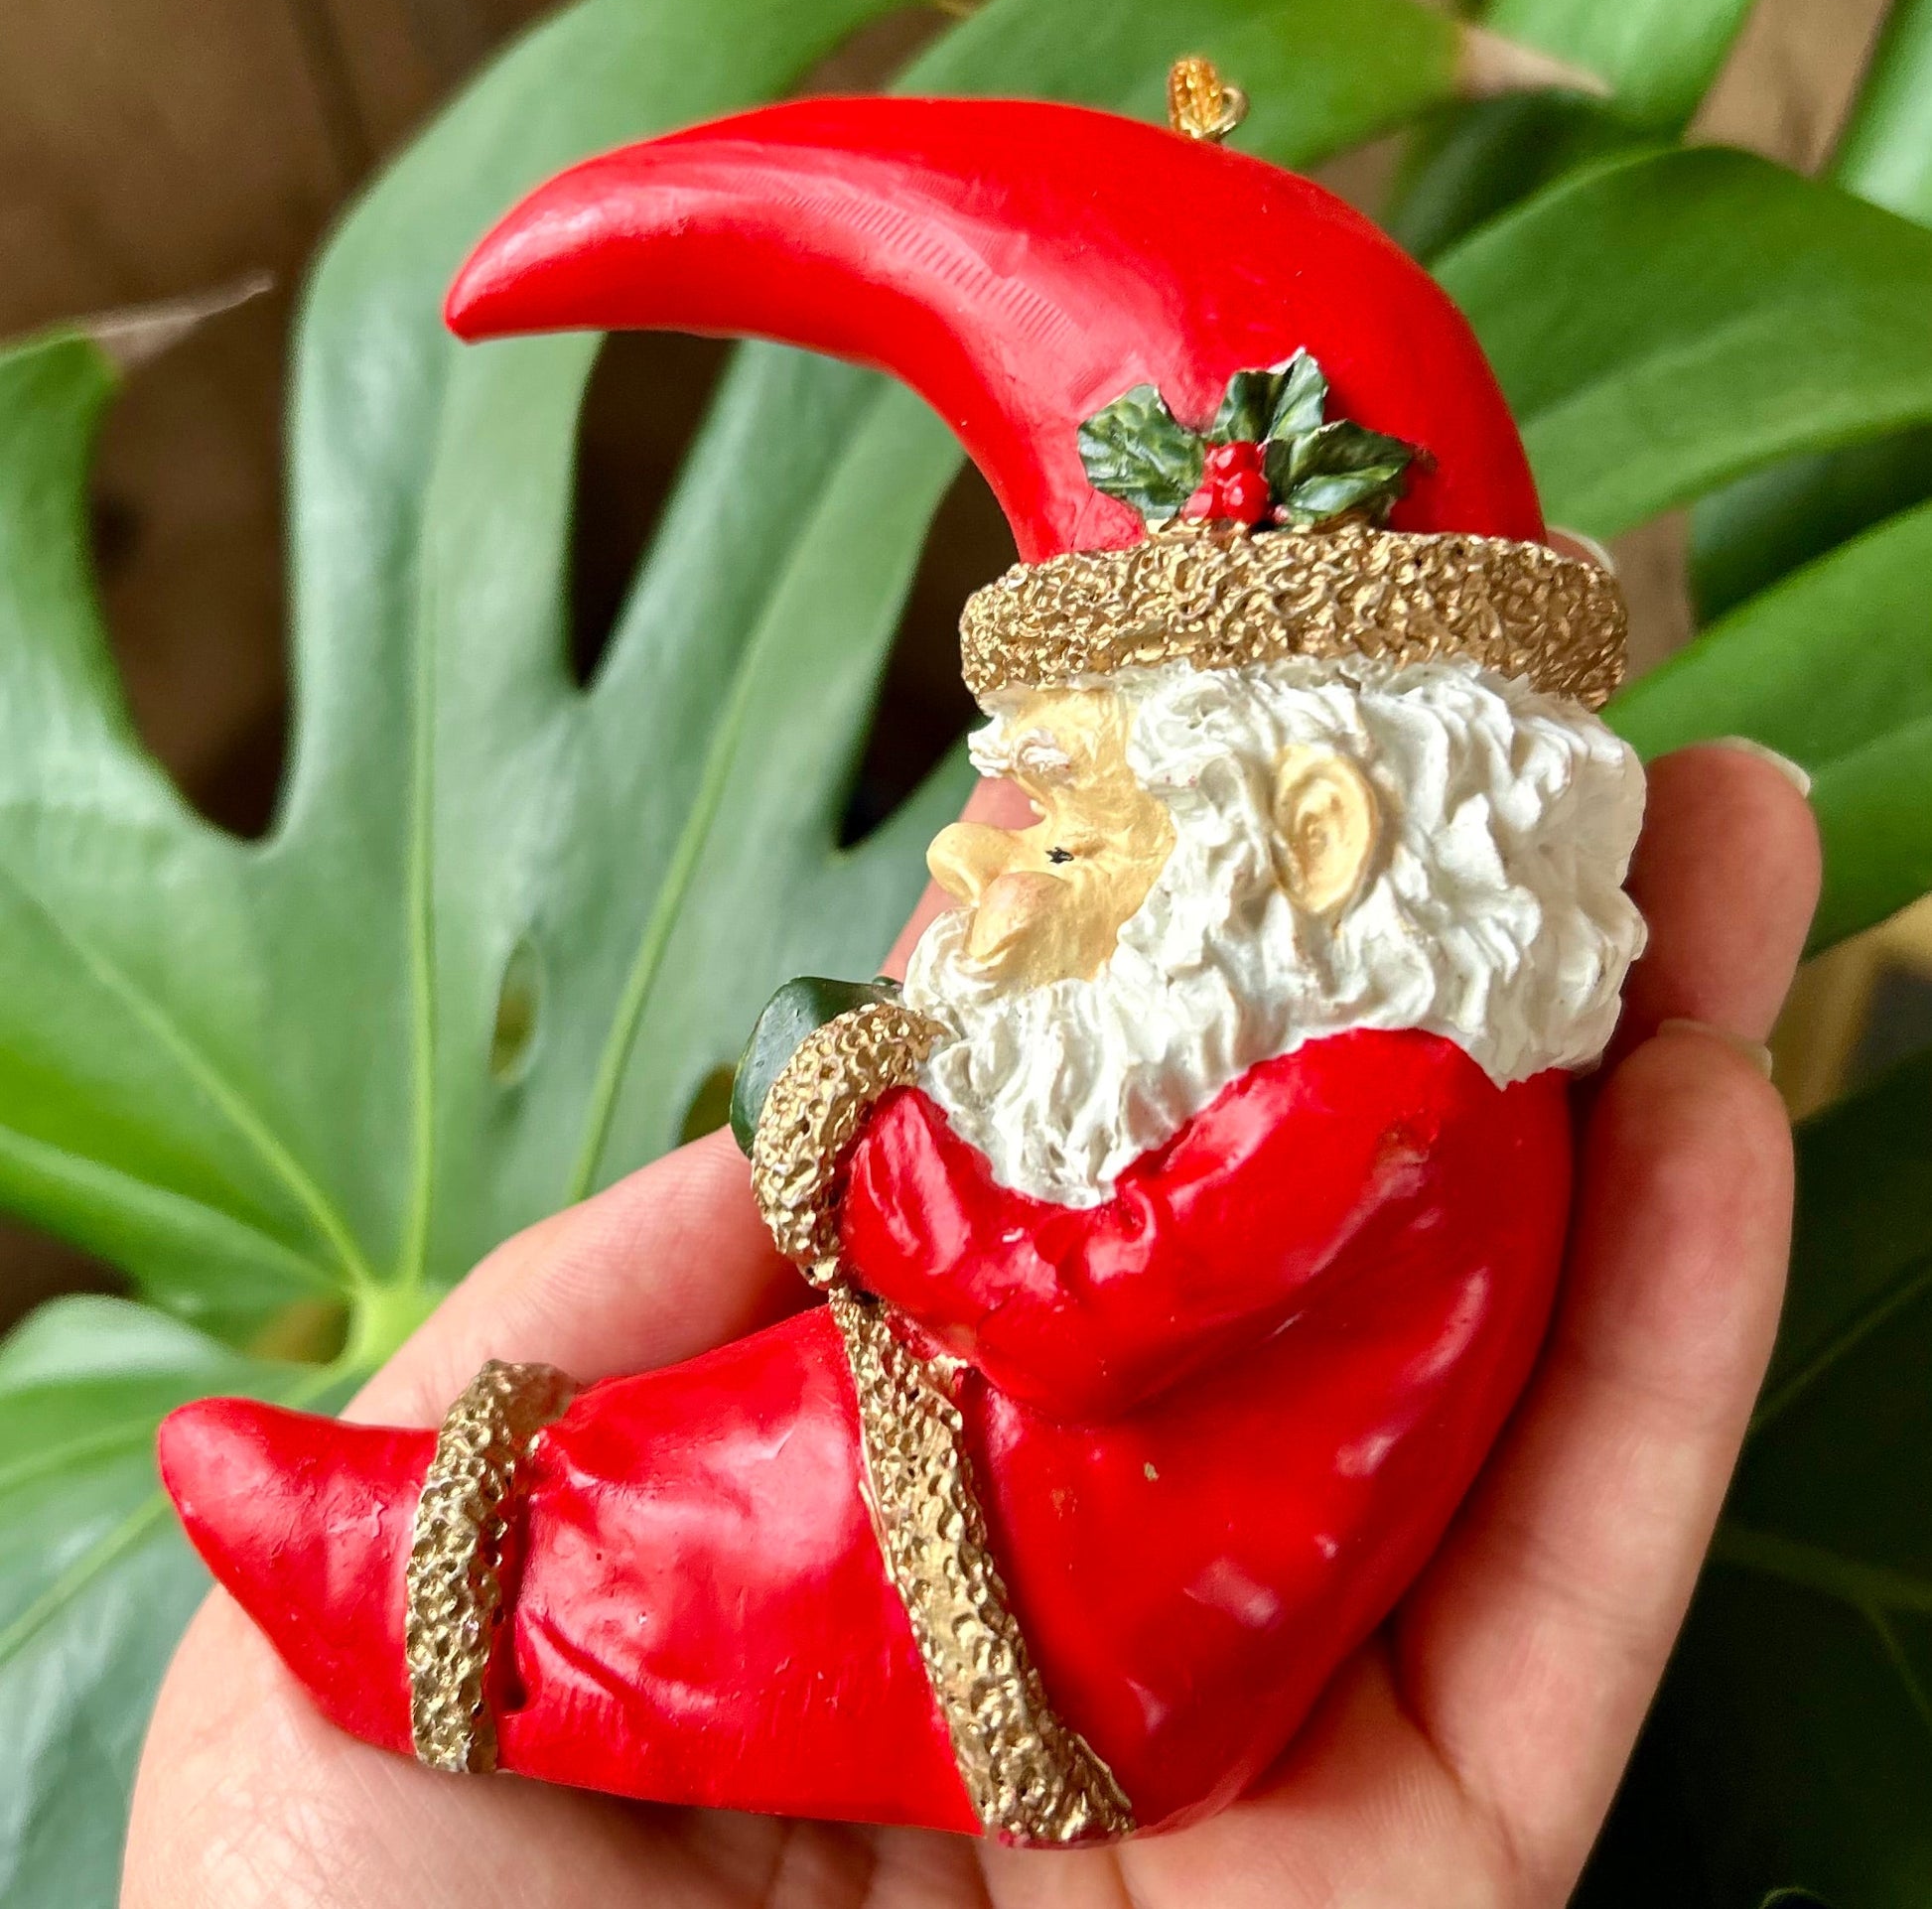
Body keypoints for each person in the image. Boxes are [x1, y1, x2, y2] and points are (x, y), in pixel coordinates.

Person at [124, 728, 1817, 1908]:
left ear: (1312, 838)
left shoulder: (1381, 1096)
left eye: (1073, 826)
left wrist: (872, 1139)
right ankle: (461, 1554)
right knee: (689, 1479)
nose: (975, 852)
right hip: (1103, 1552)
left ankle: (438, 1577)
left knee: (675, 1543)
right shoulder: (1401, 1074)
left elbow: (1079, 1320)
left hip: (1074, 1602)